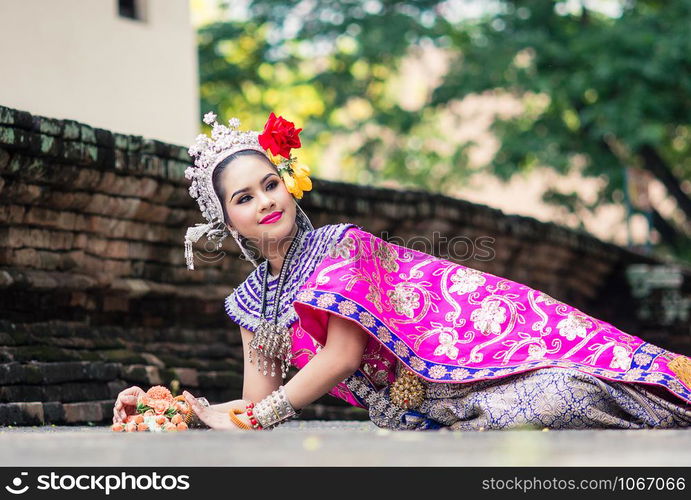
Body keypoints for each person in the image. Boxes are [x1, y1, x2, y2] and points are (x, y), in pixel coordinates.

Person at [112, 111, 691, 431]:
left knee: (558, 393)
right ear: (228, 222)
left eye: (270, 184)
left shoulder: (343, 247)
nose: (264, 201)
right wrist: (183, 411)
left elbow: (338, 358)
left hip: (475, 378)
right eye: (243, 198)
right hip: (419, 414)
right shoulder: (251, 305)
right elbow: (256, 399)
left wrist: (258, 417)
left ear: (287, 184)